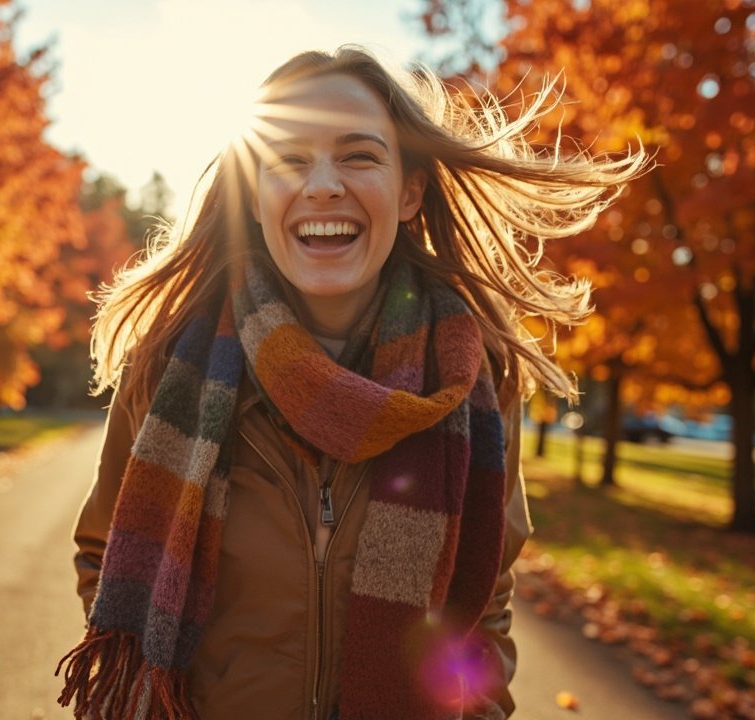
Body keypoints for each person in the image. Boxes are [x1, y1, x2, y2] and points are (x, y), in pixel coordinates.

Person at [56, 46, 647, 720]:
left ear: (409, 192)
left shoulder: (473, 380)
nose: (323, 186)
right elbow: (106, 554)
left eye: (359, 155)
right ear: (254, 196)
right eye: (288, 160)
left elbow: (486, 599)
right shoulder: (169, 365)